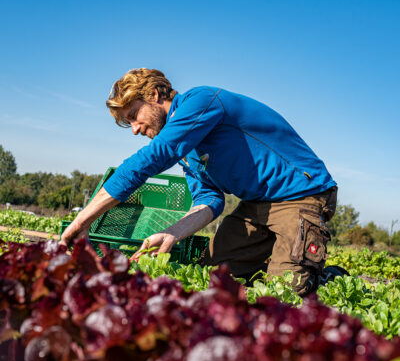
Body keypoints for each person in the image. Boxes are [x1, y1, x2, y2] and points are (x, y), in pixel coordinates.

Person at [61, 68, 338, 296]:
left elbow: (154, 157)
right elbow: (210, 200)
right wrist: (173, 232)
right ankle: (285, 264)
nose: (134, 129)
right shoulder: (187, 152)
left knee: (284, 294)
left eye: (134, 116)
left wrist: (83, 220)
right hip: (257, 205)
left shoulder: (201, 101)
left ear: (155, 95)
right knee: (212, 276)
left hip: (302, 193)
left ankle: (322, 278)